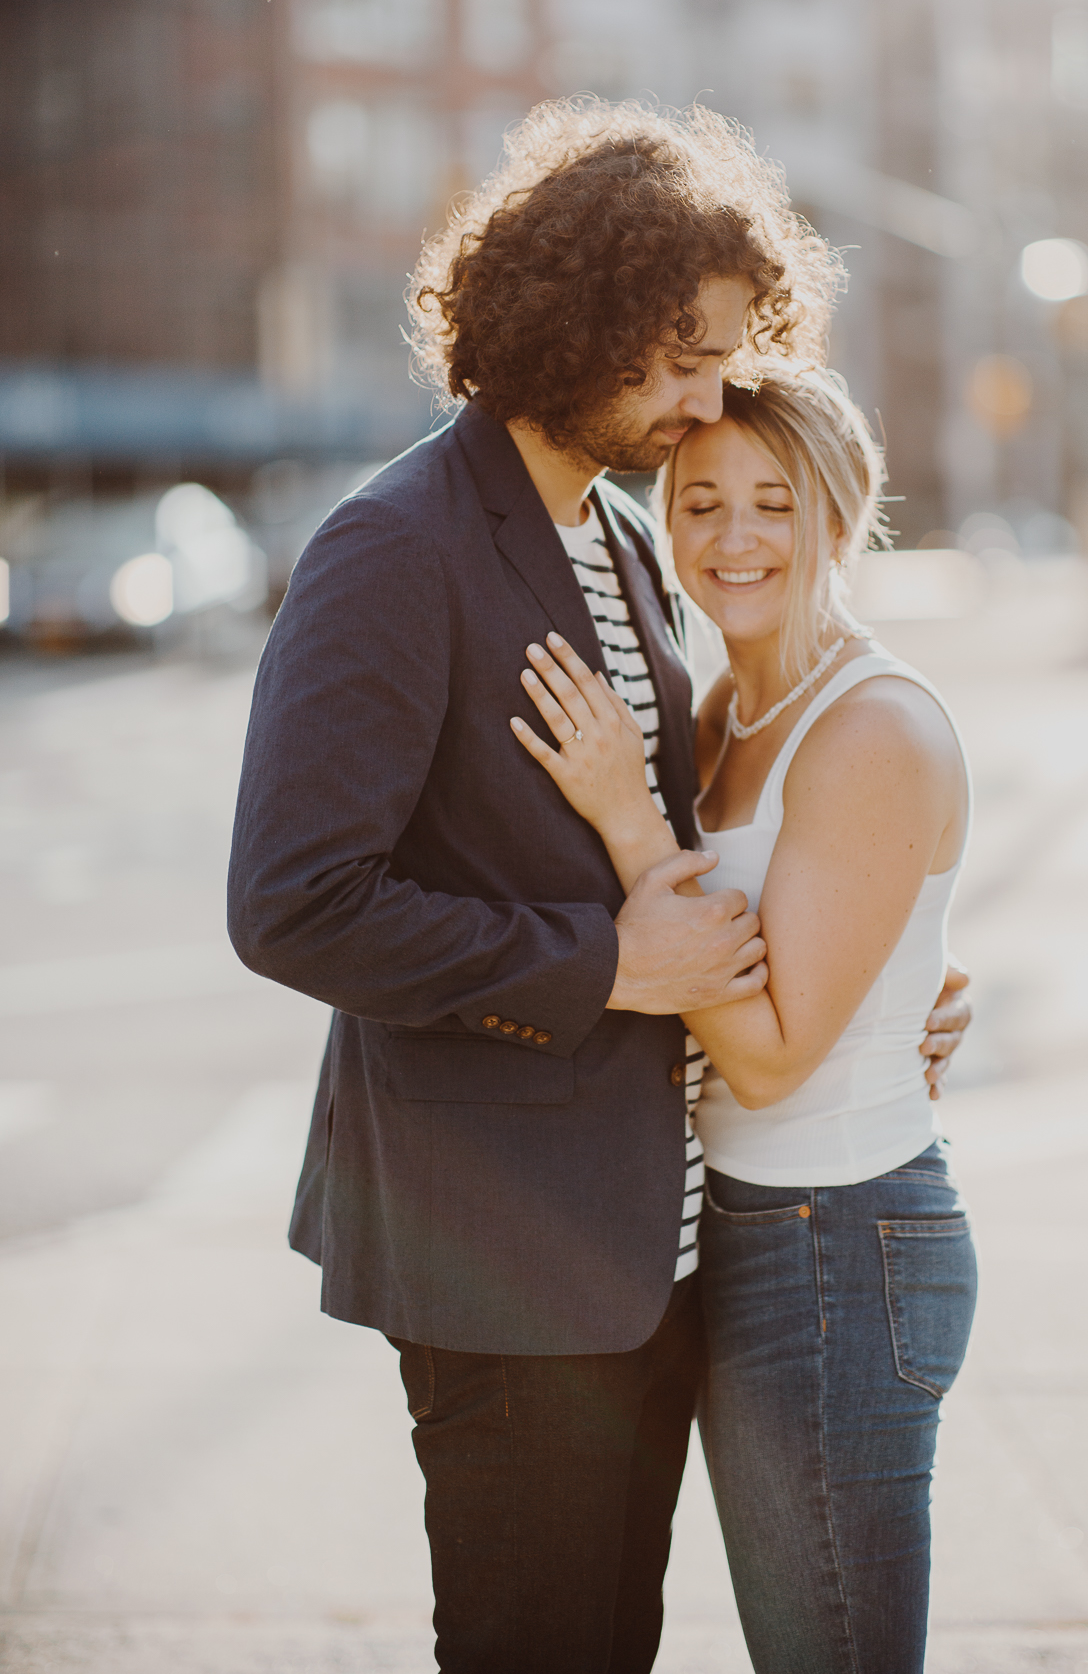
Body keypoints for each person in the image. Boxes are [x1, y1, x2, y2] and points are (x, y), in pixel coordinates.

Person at [227, 99, 972, 1674]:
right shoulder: (395, 545)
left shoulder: (623, 542)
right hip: (499, 1262)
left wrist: (875, 990)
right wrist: (605, 968)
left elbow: (695, 854)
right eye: (687, 351)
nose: (713, 394)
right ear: (581, 322)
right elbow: (293, 901)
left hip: (656, 1254)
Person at [513, 365, 977, 1674]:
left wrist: (622, 815)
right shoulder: (722, 713)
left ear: (839, 516)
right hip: (747, 1226)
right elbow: (834, 927)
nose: (730, 539)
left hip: (838, 1236)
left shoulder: (869, 726)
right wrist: (928, 977)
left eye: (772, 503)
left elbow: (769, 1059)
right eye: (700, 502)